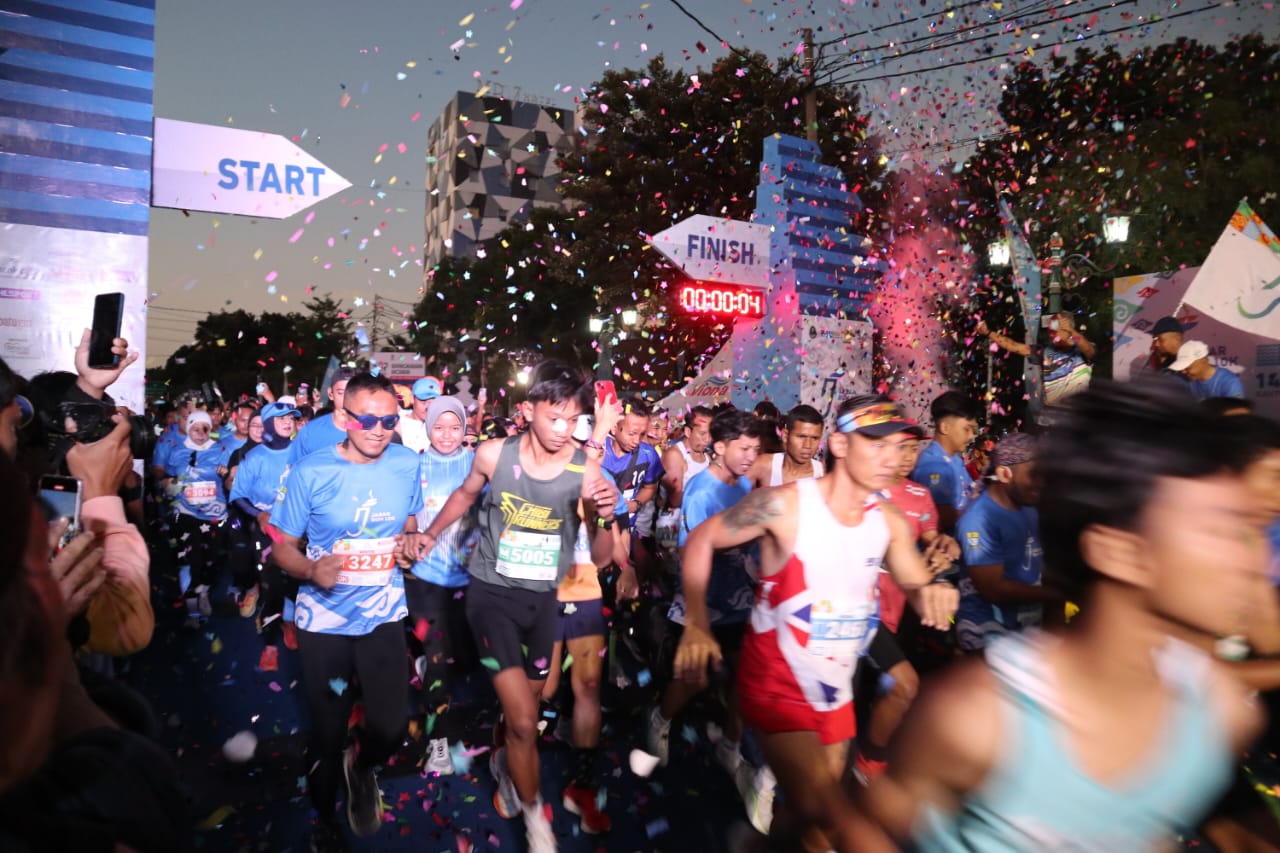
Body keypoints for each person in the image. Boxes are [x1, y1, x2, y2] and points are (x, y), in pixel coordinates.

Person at [861, 377, 1269, 850]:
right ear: (1119, 551)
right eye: (1218, 530)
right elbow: (872, 830)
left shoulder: (1218, 714)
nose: (1254, 558)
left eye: (1250, 528)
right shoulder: (978, 719)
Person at [674, 394, 958, 853]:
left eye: (900, 446)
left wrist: (934, 590)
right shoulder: (786, 505)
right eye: (878, 444)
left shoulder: (886, 519)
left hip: (835, 690)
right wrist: (696, 622)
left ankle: (756, 845)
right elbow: (702, 539)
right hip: (775, 686)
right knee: (834, 818)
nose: (893, 458)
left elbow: (913, 581)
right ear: (841, 445)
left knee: (807, 817)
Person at [406, 360, 619, 853]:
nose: (564, 430)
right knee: (524, 722)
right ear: (528, 411)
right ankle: (535, 821)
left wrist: (605, 518)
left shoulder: (585, 470)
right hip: (491, 596)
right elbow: (463, 495)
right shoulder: (492, 454)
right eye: (554, 418)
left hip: (545, 602)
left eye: (573, 420)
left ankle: (505, 762)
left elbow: (603, 558)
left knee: (538, 702)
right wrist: (430, 535)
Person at [269, 372, 424, 850]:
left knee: (392, 727)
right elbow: (283, 548)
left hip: (381, 613)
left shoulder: (404, 462)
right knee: (327, 729)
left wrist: (410, 541)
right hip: (326, 622)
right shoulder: (311, 471)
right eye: (368, 419)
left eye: (389, 420)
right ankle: (324, 821)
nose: (379, 429)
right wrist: (312, 572)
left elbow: (411, 518)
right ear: (345, 417)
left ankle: (362, 766)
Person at [647, 409, 763, 779]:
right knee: (693, 679)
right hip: (703, 603)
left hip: (740, 601)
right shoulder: (701, 492)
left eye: (755, 449)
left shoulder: (744, 485)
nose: (750, 457)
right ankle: (660, 720)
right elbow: (694, 553)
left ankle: (730, 747)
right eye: (743, 448)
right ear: (719, 447)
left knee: (745, 680)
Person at [857, 432, 959, 782]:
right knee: (881, 686)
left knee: (890, 688)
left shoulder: (920, 495)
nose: (905, 457)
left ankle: (866, 757)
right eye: (897, 447)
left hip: (904, 607)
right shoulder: (862, 492)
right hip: (863, 612)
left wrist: (943, 548)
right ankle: (862, 761)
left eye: (912, 449)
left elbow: (932, 540)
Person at [404, 395, 480, 776]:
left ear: (465, 427)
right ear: (427, 427)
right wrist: (412, 537)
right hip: (427, 578)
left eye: (455, 427)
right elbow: (408, 516)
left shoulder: (478, 463)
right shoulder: (414, 465)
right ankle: (438, 745)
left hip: (471, 580)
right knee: (438, 662)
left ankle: (420, 657)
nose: (447, 435)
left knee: (466, 659)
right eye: (439, 427)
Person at [953, 433, 1060, 653]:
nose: (1042, 483)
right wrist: (1060, 592)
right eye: (1034, 475)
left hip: (1026, 626)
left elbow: (1037, 561)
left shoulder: (1029, 507)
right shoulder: (978, 520)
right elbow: (993, 589)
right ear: (1004, 474)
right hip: (988, 631)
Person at [228, 401, 298, 672]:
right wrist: (258, 515)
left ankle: (289, 622)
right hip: (267, 531)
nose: (287, 422)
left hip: (298, 530)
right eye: (280, 418)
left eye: (290, 418)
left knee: (296, 581)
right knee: (271, 585)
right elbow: (238, 496)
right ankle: (270, 643)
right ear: (268, 424)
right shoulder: (254, 457)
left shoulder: (301, 452)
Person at [909, 391, 980, 535]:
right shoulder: (933, 466)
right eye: (967, 429)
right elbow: (941, 516)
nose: (971, 436)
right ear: (945, 427)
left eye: (973, 430)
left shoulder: (955, 459)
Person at [656, 406, 713, 557]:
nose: (707, 439)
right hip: (672, 527)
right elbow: (675, 500)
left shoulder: (707, 457)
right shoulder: (675, 455)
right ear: (688, 432)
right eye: (702, 433)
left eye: (710, 434)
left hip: (697, 526)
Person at [287, 366, 357, 464]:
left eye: (352, 393)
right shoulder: (310, 431)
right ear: (330, 393)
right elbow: (294, 469)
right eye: (341, 393)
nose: (347, 398)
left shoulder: (368, 430)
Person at [749, 404, 825, 489]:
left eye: (814, 438)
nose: (807, 445)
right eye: (801, 437)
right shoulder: (762, 466)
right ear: (785, 436)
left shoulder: (824, 474)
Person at [1172, 339, 1247, 401]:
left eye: (1187, 367)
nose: (1183, 371)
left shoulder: (1230, 383)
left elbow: (1236, 415)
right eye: (1181, 367)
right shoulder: (1183, 379)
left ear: (1204, 361)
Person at [396, 376, 441, 454]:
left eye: (432, 402)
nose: (428, 407)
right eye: (423, 402)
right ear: (412, 399)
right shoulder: (397, 422)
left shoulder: (440, 425)